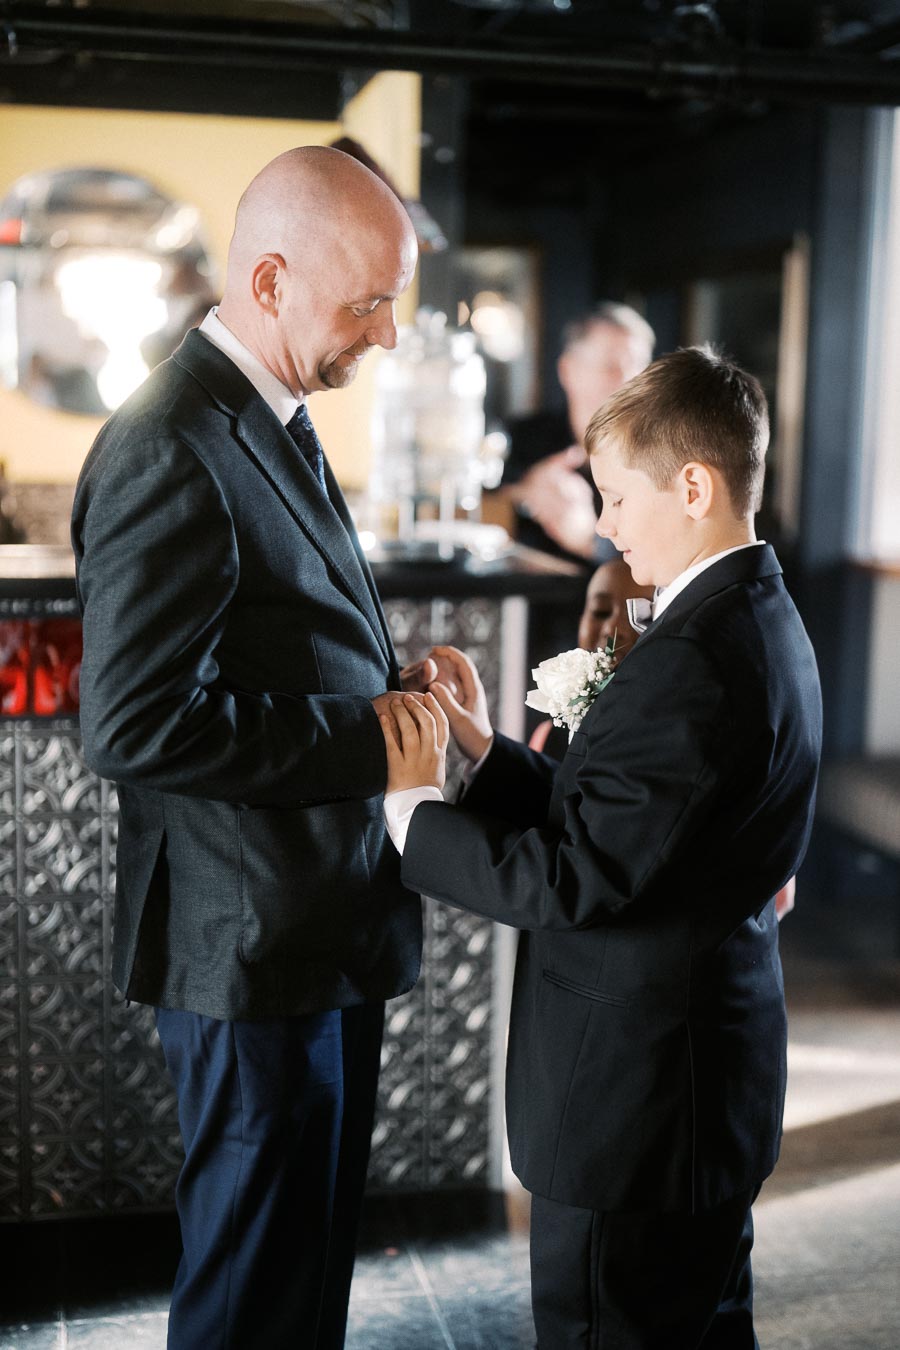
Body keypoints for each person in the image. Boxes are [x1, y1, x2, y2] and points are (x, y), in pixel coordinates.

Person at [378, 345, 823, 1348]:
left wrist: (413, 810)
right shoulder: (760, 612)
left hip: (638, 1112)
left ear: (694, 487)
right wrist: (483, 752)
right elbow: (642, 828)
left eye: (618, 497)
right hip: (701, 1092)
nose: (608, 524)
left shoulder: (693, 660)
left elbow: (578, 878)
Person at [71, 145, 436, 1349]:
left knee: (304, 1281)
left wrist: (397, 687)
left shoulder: (270, 412)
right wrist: (373, 739)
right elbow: (135, 722)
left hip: (316, 930)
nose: (387, 334)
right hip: (252, 948)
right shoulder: (169, 442)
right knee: (251, 1296)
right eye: (368, 302)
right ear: (272, 281)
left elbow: (279, 642)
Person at [501, 302, 655, 565]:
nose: (627, 380)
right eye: (609, 366)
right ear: (568, 370)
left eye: (638, 368)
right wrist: (526, 491)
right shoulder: (522, 437)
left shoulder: (663, 454)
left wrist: (589, 541)